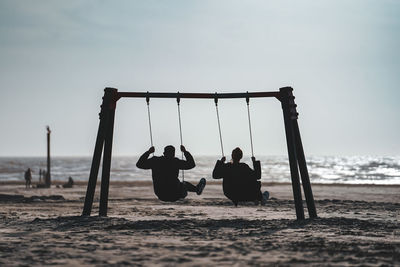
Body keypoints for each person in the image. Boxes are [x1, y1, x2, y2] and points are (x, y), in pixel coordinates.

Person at [136, 145, 206, 202]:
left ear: (164, 153)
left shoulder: (155, 161)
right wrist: (185, 152)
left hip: (161, 194)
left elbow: (139, 164)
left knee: (182, 184)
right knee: (184, 184)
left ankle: (196, 189)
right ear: (173, 154)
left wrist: (148, 152)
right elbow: (191, 164)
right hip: (175, 195)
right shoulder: (175, 162)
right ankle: (196, 189)